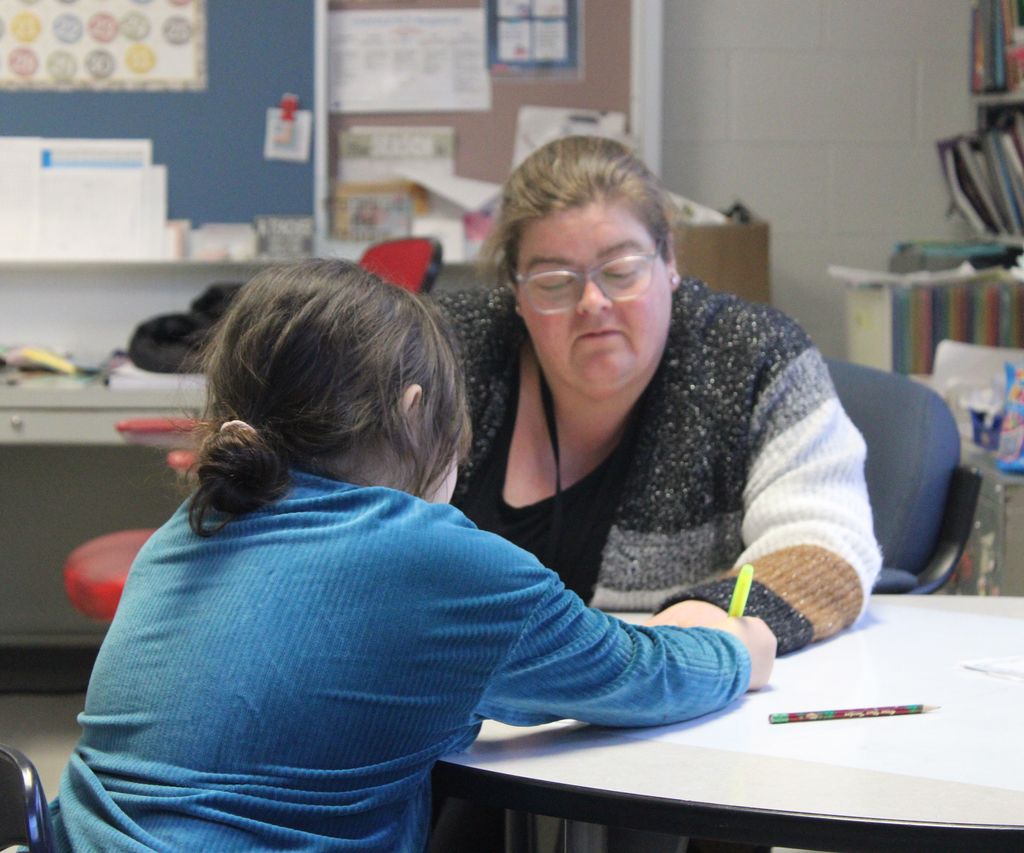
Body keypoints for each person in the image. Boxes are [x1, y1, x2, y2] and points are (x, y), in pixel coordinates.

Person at [48, 259, 776, 853]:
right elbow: (643, 677)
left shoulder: (193, 526)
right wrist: (733, 646)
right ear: (411, 408)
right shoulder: (442, 561)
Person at [437, 135, 881, 655]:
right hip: (459, 704)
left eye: (621, 271)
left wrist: (698, 625)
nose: (593, 302)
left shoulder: (755, 358)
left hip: (673, 694)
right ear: (515, 290)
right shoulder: (444, 355)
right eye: (555, 282)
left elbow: (827, 544)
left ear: (669, 260)